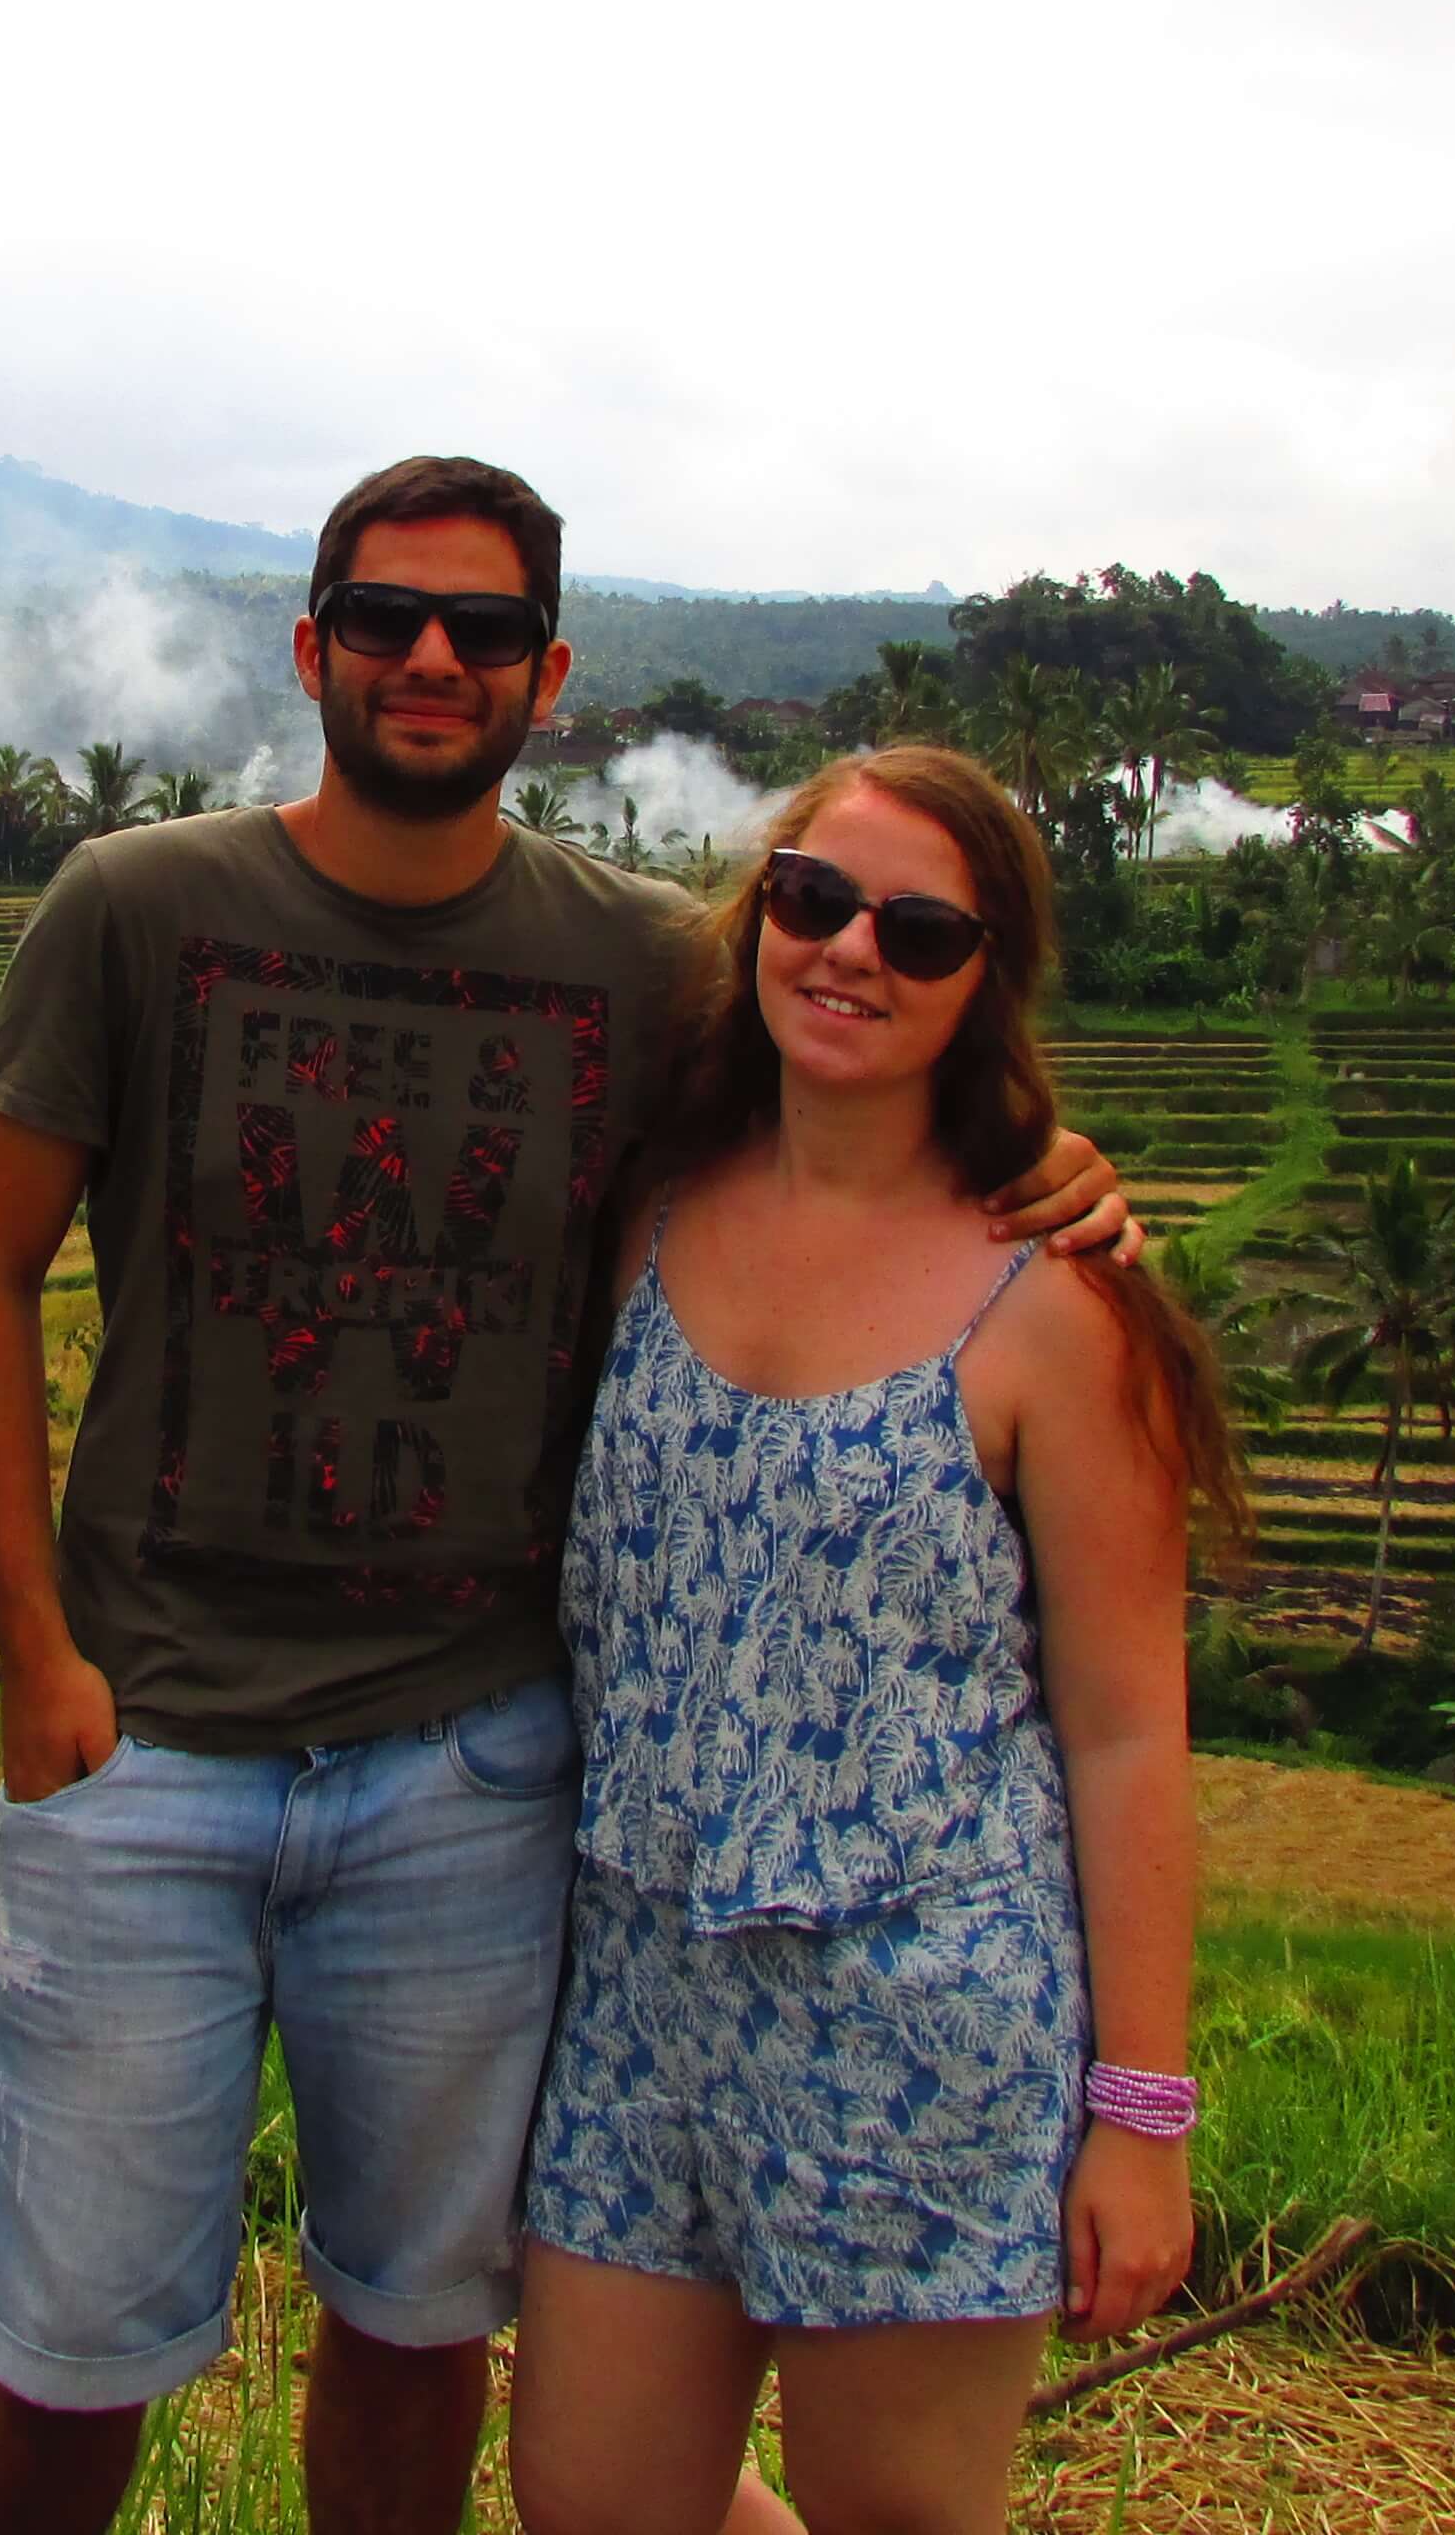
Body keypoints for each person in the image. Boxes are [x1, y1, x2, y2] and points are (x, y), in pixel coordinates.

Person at [0, 458, 1135, 2535]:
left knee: (417, 2327)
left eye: (482, 629)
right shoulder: (134, 908)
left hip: (469, 1771)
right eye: (386, 619)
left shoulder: (647, 965)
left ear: (547, 677)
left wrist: (1058, 1172)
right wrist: (37, 1656)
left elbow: (859, 1085)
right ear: (310, 647)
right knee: (66, 2335)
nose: (432, 658)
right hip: (147, 1745)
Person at [508, 744, 1249, 2535]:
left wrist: (1142, 2115)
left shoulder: (1056, 1303)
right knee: (592, 2504)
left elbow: (1127, 1732)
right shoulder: (647, 1208)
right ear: (760, 914)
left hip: (923, 2019)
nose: (851, 951)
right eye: (815, 900)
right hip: (640, 1997)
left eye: (919, 933)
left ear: (987, 980)